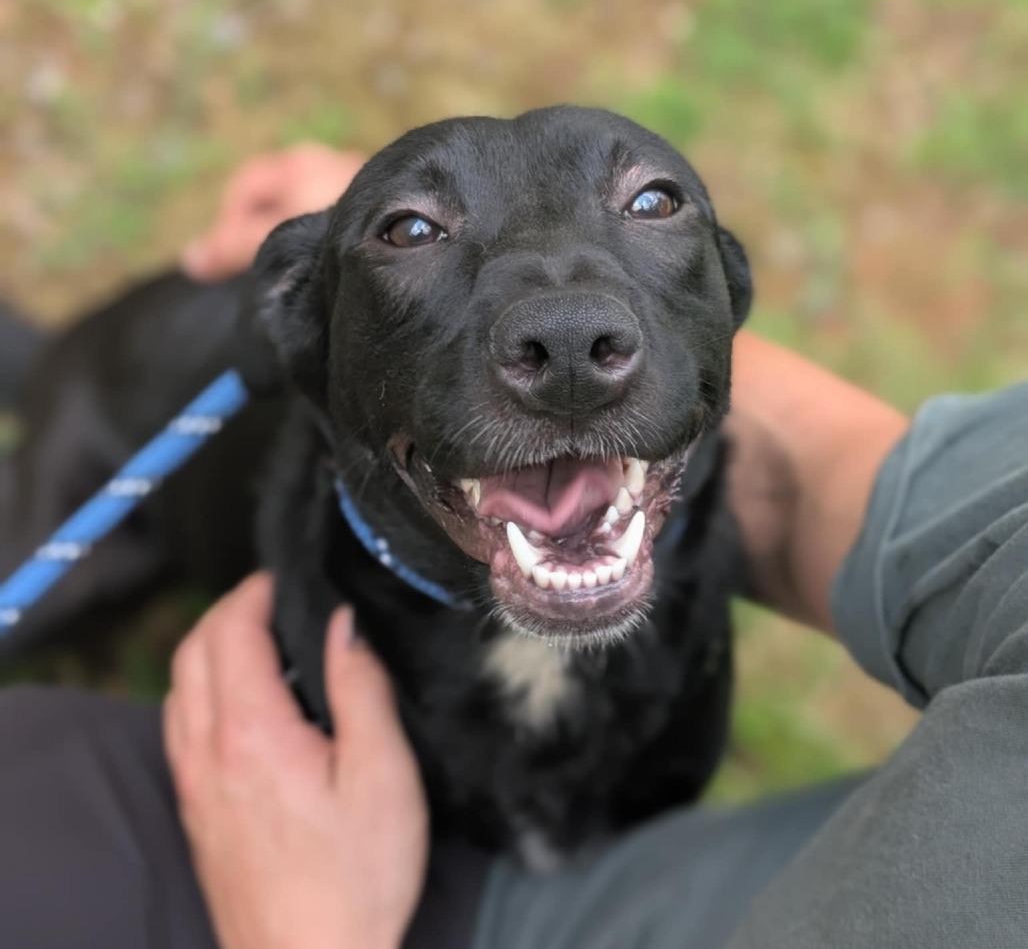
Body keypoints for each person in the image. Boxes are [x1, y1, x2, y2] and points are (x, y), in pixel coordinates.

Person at [0, 145, 1025, 948]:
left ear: (726, 304)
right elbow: (910, 490)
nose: (569, 330)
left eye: (651, 203)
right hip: (120, 467)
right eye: (410, 230)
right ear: (297, 328)